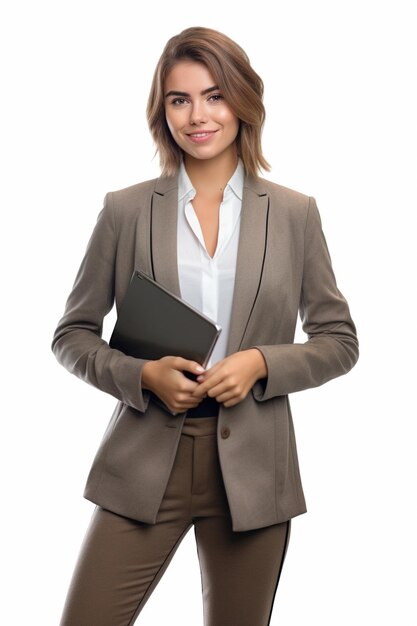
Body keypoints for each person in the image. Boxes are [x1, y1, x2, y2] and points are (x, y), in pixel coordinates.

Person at [52, 26, 359, 626]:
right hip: (143, 462)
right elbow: (73, 334)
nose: (198, 115)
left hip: (252, 471)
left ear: (242, 102)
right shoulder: (126, 210)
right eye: (179, 99)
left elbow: (339, 340)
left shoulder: (295, 214)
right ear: (161, 110)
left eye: (214, 95)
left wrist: (263, 363)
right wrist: (142, 375)